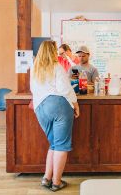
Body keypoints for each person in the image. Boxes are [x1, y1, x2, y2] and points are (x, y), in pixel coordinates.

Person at [29, 40, 80, 191]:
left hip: (40, 108)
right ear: (52, 52)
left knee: (54, 144)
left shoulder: (34, 68)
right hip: (58, 106)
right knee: (61, 146)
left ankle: (47, 178)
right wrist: (76, 104)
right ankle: (57, 182)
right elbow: (65, 89)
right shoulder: (56, 67)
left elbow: (33, 90)